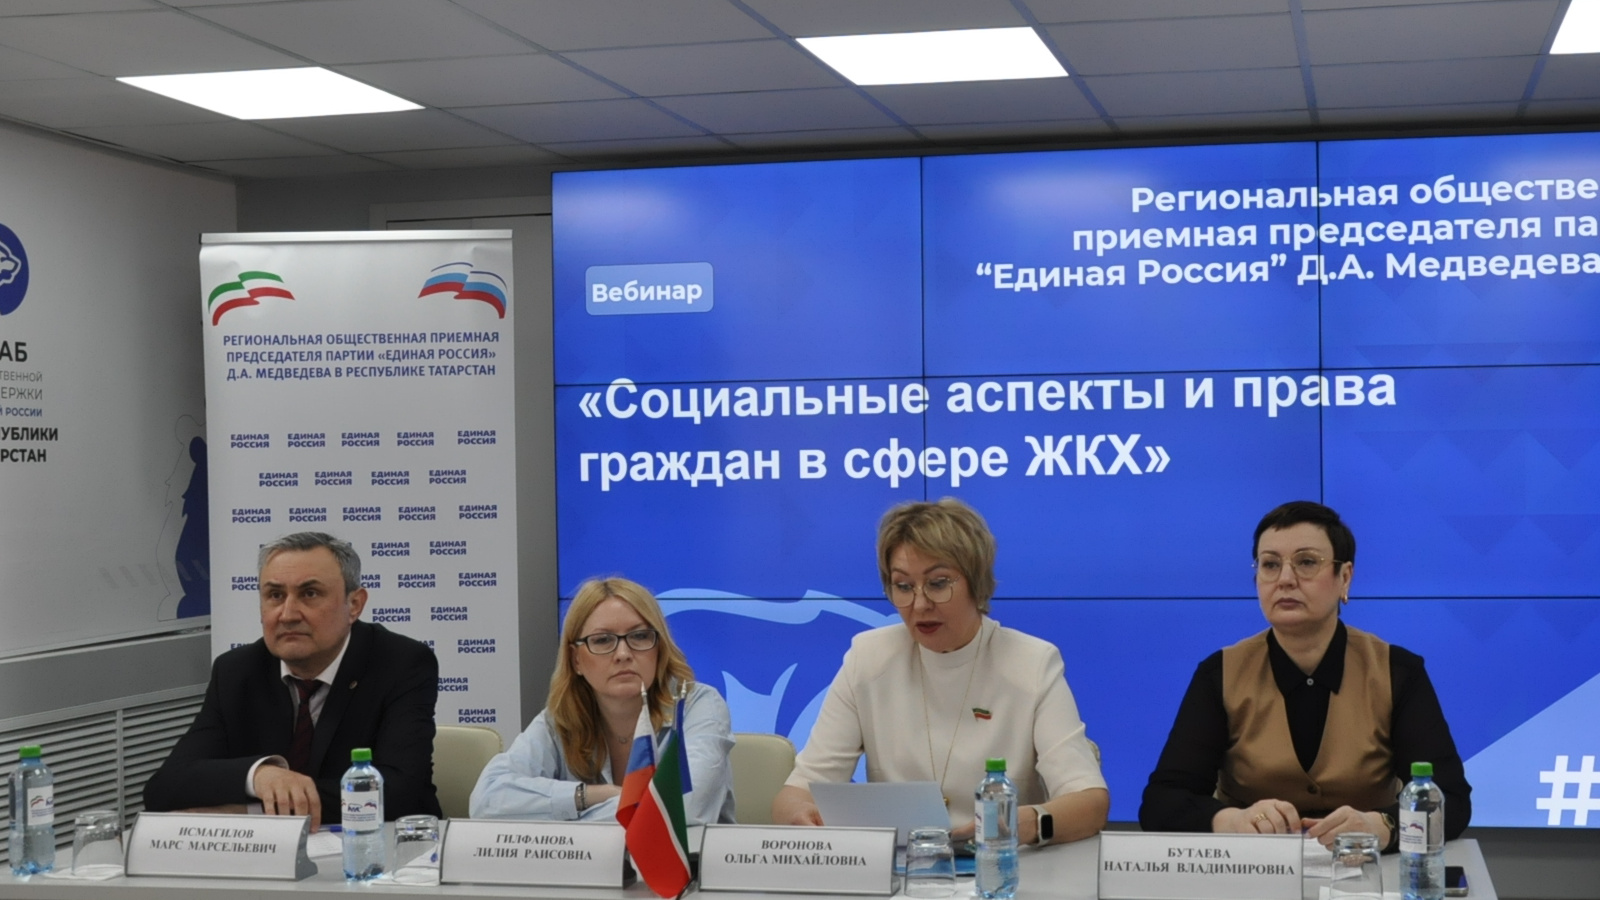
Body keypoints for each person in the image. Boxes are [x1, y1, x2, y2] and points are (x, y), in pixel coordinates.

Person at [772, 499, 1109, 845]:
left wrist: (1030, 823)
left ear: (976, 583)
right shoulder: (868, 659)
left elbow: (1091, 804)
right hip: (901, 866)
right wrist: (799, 814)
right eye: (903, 586)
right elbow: (796, 793)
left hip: (1001, 864)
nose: (919, 605)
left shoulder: (1033, 663)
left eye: (938, 583)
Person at [1139, 501, 1471, 849]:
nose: (1285, 579)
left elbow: (1451, 799)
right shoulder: (1220, 673)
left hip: (1367, 867)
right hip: (1254, 867)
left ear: (1345, 577)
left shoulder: (1396, 671)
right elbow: (1162, 801)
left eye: (1307, 562)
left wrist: (1383, 824)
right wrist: (1231, 821)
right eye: (1270, 564)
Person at [145, 532, 442, 827]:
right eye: (275, 595)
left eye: (309, 594)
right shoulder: (237, 671)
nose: (287, 614)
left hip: (378, 845)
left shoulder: (401, 663)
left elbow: (400, 791)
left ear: (354, 605)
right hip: (269, 852)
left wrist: (250, 810)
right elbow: (165, 787)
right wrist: (258, 775)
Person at [470, 577, 735, 823]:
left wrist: (561, 821)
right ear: (576, 660)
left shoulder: (697, 706)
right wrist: (589, 795)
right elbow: (487, 800)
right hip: (585, 861)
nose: (623, 654)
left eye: (639, 636)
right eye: (602, 640)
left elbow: (680, 808)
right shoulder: (560, 720)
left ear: (659, 648)